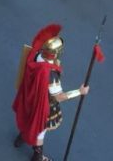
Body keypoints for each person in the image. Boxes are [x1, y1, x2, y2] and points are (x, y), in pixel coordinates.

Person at [13, 25, 89, 161]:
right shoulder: (50, 73)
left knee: (28, 117)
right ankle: (38, 156)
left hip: (29, 96)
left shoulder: (35, 56)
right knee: (40, 130)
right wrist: (79, 92)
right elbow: (59, 96)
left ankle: (21, 137)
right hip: (42, 104)